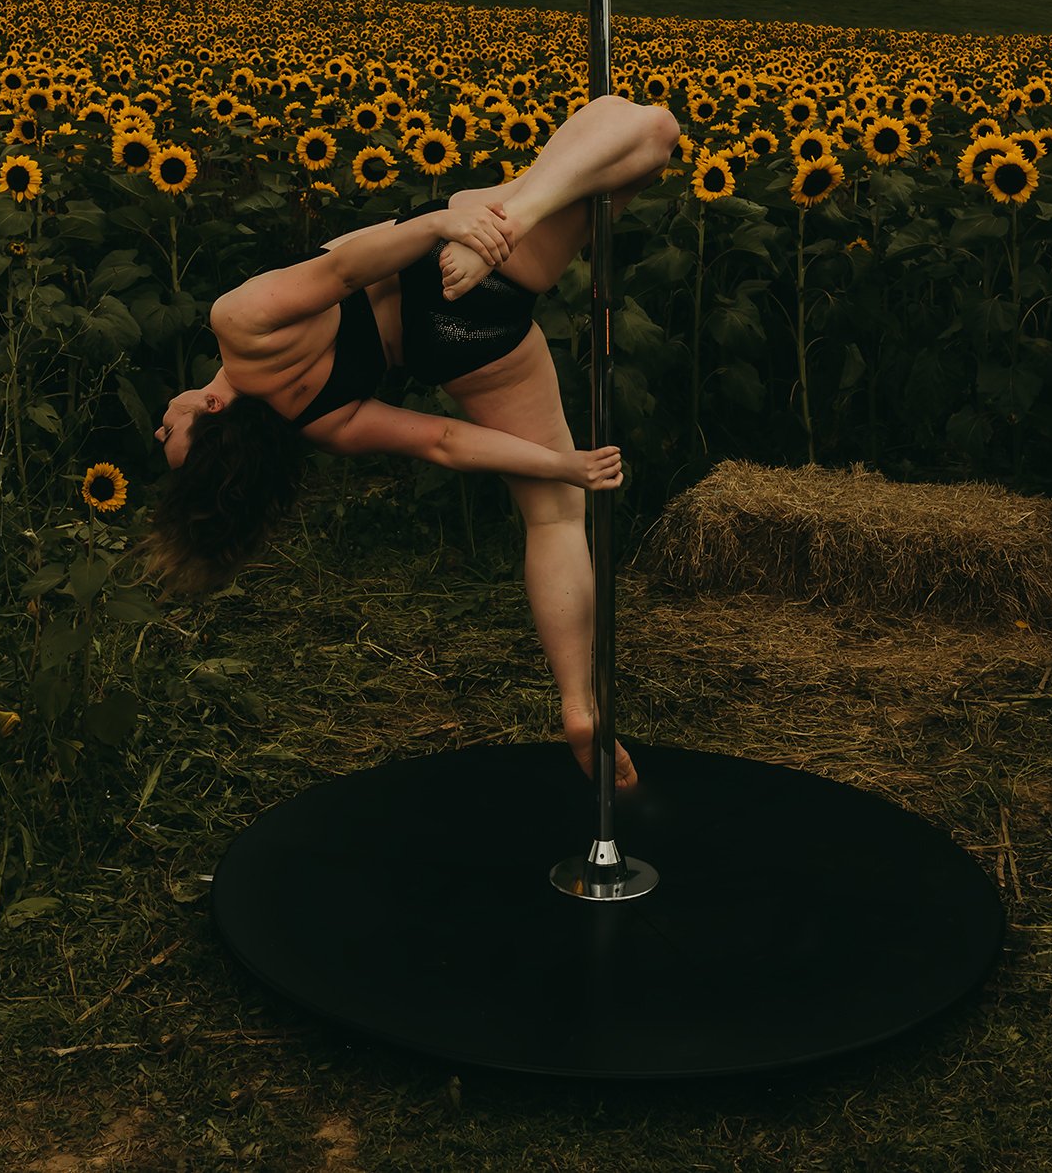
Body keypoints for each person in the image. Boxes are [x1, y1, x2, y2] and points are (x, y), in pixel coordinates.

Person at [140, 94, 681, 790]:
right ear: (211, 407)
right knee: (643, 123)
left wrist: (560, 465)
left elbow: (447, 441)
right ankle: (513, 215)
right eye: (170, 431)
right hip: (446, 255)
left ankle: (578, 704)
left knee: (553, 513)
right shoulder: (240, 328)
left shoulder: (319, 425)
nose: (162, 422)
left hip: (466, 339)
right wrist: (449, 224)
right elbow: (342, 273)